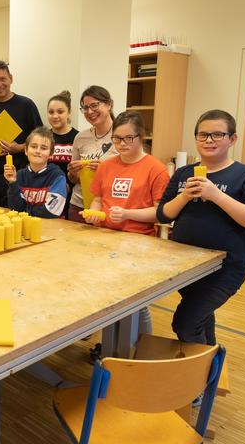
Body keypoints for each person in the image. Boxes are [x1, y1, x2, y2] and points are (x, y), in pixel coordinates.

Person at [157, 109, 245, 345]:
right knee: (201, 318)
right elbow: (164, 214)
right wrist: (185, 197)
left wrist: (216, 195)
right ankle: (211, 368)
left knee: (185, 322)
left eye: (217, 135)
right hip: (185, 266)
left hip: (225, 268)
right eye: (203, 135)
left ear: (232, 139)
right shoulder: (183, 173)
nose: (209, 140)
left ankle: (200, 372)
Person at [84, 111, 171, 335]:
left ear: (141, 136)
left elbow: (161, 213)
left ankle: (140, 347)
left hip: (138, 243)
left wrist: (127, 214)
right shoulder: (106, 166)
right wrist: (95, 213)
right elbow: (97, 199)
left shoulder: (156, 169)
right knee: (108, 297)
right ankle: (112, 345)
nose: (121, 144)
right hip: (105, 240)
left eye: (128, 139)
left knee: (135, 302)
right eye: (116, 139)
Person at [0, 61, 43, 207]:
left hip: (17, 175)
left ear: (11, 78)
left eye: (3, 79)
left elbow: (42, 141)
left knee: (15, 219)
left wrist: (18, 148)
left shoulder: (26, 105)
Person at [67, 85, 119, 223]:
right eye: (85, 108)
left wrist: (105, 170)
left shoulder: (122, 135)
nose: (90, 111)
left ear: (109, 104)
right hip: (79, 204)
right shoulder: (80, 137)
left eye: (95, 105)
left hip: (109, 207)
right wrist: (72, 173)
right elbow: (74, 179)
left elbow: (132, 173)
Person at [4, 127, 67, 218]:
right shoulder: (19, 175)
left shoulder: (57, 176)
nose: (38, 151)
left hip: (52, 227)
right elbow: (15, 208)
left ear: (51, 153)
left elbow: (50, 211)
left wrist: (24, 211)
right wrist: (13, 182)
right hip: (27, 225)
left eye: (43, 148)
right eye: (34, 147)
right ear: (26, 150)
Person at [47, 90, 79, 218]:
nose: (55, 116)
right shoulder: (44, 137)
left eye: (60, 112)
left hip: (72, 197)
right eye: (51, 112)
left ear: (69, 112)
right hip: (48, 194)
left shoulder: (78, 137)